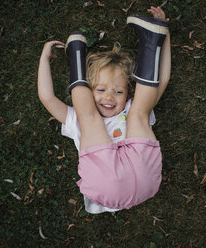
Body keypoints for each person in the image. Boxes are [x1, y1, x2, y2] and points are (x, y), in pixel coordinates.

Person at [38, 6, 171, 214]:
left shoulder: (129, 107)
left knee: (129, 112)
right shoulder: (76, 118)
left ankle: (151, 37)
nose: (109, 97)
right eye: (100, 89)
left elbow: (161, 81)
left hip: (141, 177)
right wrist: (44, 61)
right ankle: (151, 41)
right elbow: (47, 98)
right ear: (89, 92)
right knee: (109, 116)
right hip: (126, 181)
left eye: (118, 91)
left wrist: (163, 33)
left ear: (127, 94)